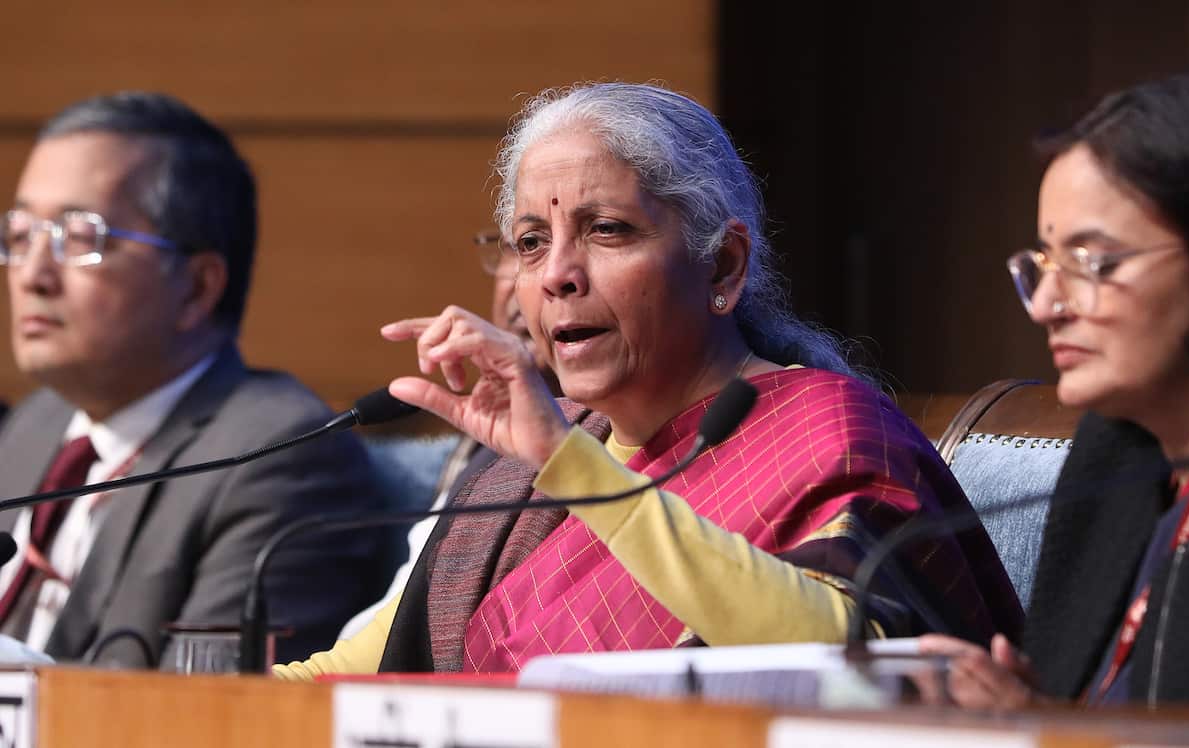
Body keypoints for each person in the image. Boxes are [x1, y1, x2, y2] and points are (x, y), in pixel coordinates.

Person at [275, 82, 1020, 680]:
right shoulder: (527, 478)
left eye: (607, 230)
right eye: (531, 242)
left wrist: (570, 467)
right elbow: (342, 675)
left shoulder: (826, 430)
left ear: (723, 266)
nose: (557, 275)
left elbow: (852, 666)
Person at [919, 74, 1189, 706]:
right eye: (1044, 266)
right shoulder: (1114, 456)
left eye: (1094, 263)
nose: (1046, 306)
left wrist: (1047, 735)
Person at [0, 92, 394, 667]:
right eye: (21, 234)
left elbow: (208, 706)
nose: (32, 274)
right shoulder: (34, 424)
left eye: (80, 237)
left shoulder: (278, 458)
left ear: (197, 287)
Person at [337, 231, 560, 640]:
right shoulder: (481, 448)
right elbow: (389, 630)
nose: (520, 283)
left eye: (605, 231)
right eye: (522, 246)